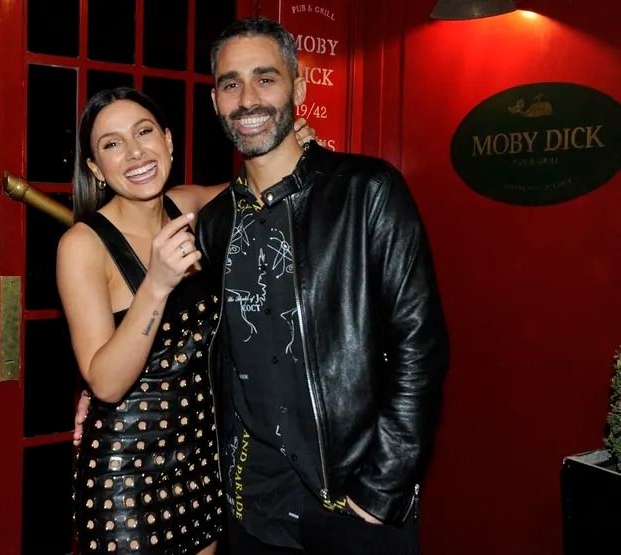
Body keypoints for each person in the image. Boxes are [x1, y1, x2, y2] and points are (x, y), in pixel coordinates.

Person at [195, 17, 450, 555]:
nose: (247, 99)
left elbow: (420, 346)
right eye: (230, 84)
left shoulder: (368, 191)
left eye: (265, 78)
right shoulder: (215, 223)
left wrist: (381, 487)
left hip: (354, 506)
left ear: (299, 88)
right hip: (250, 508)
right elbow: (207, 351)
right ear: (215, 101)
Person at [58, 86, 316, 555]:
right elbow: (106, 385)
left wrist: (289, 143)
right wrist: (156, 284)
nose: (135, 152)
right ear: (95, 168)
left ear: (168, 141)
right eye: (112, 144)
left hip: (201, 463)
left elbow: (263, 185)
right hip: (126, 473)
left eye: (144, 132)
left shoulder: (191, 206)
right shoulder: (83, 245)